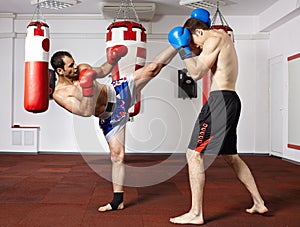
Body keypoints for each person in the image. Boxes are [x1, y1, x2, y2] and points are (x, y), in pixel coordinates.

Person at [168, 8, 268, 225]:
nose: (197, 48)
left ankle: (196, 213)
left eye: (195, 42)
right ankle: (258, 202)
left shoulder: (212, 38)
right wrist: (190, 49)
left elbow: (195, 73)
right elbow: (203, 63)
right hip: (230, 99)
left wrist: (182, 48)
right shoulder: (224, 38)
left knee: (193, 155)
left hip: (220, 102)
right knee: (231, 156)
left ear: (198, 32)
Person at [50, 44, 178, 212]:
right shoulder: (60, 94)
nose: (75, 67)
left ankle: (179, 43)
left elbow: (103, 70)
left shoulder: (82, 68)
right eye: (70, 66)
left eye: (74, 63)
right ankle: (118, 200)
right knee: (118, 157)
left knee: (152, 69)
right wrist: (87, 90)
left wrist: (113, 59)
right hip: (110, 117)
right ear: (60, 71)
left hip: (118, 92)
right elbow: (85, 111)